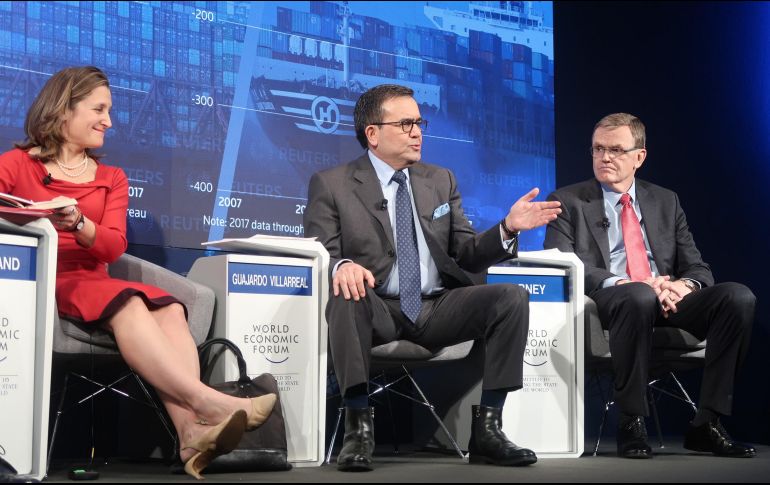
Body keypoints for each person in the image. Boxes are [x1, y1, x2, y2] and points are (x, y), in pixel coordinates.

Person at [0, 66, 277, 480]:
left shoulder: (112, 177)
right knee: (129, 302)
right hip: (38, 279)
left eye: (109, 111)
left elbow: (113, 245)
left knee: (171, 310)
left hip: (92, 278)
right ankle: (209, 402)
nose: (108, 121)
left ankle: (188, 434)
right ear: (63, 111)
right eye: (99, 109)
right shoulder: (14, 165)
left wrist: (77, 222)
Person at [303, 84, 562, 471]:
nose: (417, 132)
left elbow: (466, 252)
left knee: (510, 298)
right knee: (346, 293)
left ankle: (489, 428)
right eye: (405, 123)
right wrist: (342, 266)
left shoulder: (439, 179)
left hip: (436, 307)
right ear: (372, 134)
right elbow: (321, 251)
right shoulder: (333, 183)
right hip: (377, 307)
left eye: (419, 122)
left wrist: (507, 227)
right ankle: (357, 427)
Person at [543, 113, 756, 459]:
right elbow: (564, 262)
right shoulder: (568, 201)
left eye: (615, 150)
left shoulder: (665, 201)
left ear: (639, 157)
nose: (605, 157)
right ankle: (631, 420)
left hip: (665, 299)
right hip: (611, 301)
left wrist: (684, 286)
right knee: (639, 294)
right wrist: (627, 281)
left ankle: (707, 422)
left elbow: (697, 266)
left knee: (738, 297)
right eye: (598, 149)